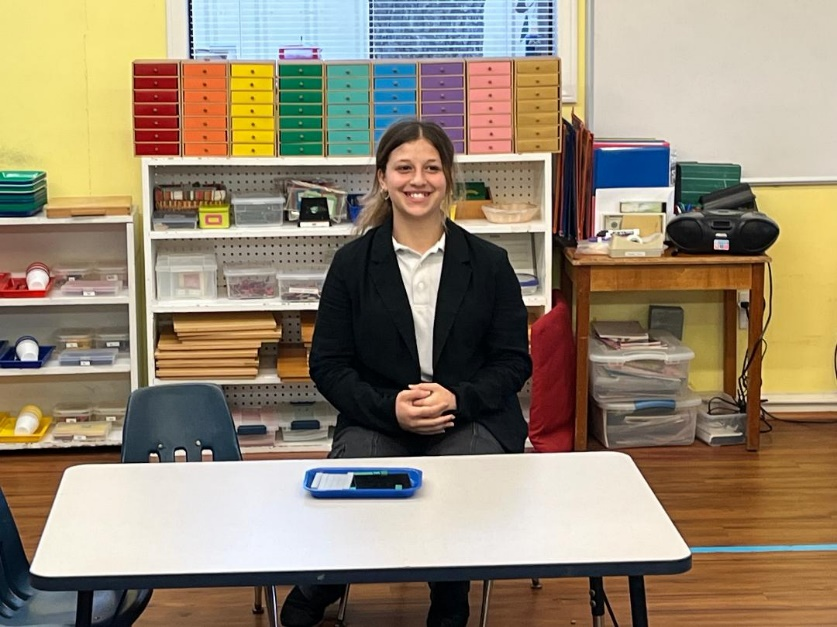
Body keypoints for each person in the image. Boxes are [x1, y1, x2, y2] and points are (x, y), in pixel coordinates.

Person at [279, 118, 532, 627]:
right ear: (382, 178)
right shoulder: (351, 265)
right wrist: (390, 408)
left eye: (431, 168)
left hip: (469, 416)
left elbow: (513, 361)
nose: (418, 180)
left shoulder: (489, 263)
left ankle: (450, 594)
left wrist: (456, 398)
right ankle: (326, 578)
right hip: (378, 416)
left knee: (460, 477)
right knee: (357, 476)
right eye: (404, 168)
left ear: (448, 178)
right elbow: (328, 364)